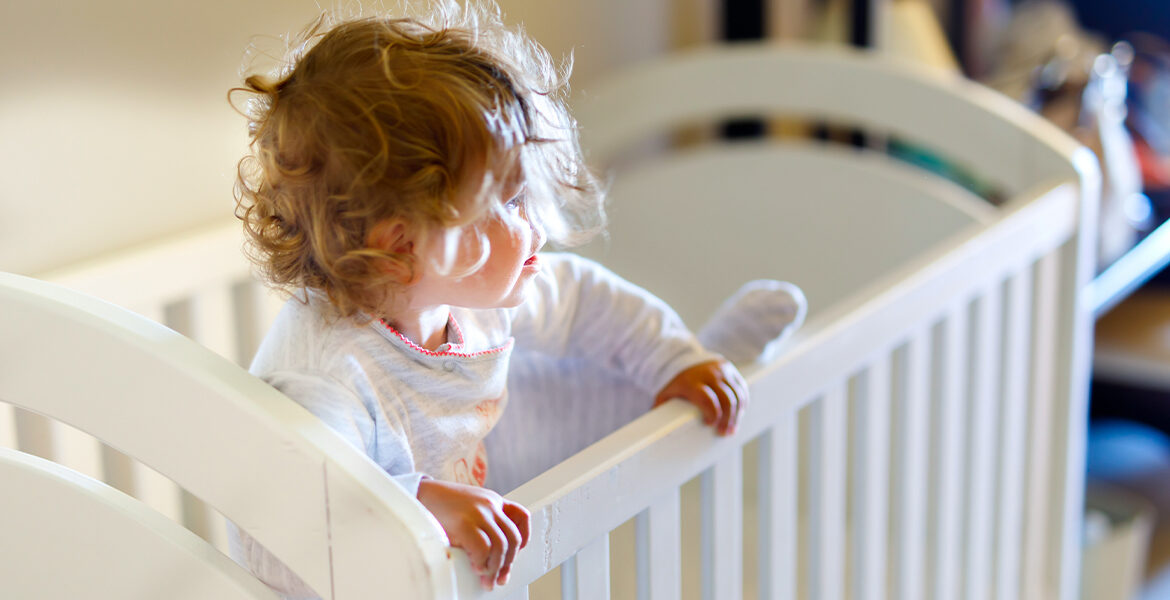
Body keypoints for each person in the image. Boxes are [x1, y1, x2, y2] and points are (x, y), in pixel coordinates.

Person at [229, 3, 801, 597]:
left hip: (458, 528)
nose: (535, 225)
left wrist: (673, 356)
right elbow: (304, 504)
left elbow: (581, 298)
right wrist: (421, 501)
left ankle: (685, 374)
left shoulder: (463, 292)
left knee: (568, 377)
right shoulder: (323, 375)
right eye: (508, 202)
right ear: (402, 245)